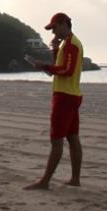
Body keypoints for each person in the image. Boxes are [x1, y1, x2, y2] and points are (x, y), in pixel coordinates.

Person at [24, 12, 84, 190]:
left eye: (54, 28)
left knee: (56, 139)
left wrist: (44, 66)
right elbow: (63, 66)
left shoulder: (72, 44)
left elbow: (67, 70)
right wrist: (55, 50)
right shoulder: (68, 43)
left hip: (65, 96)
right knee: (72, 137)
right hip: (72, 94)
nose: (53, 33)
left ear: (64, 24)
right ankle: (75, 179)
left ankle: (45, 181)